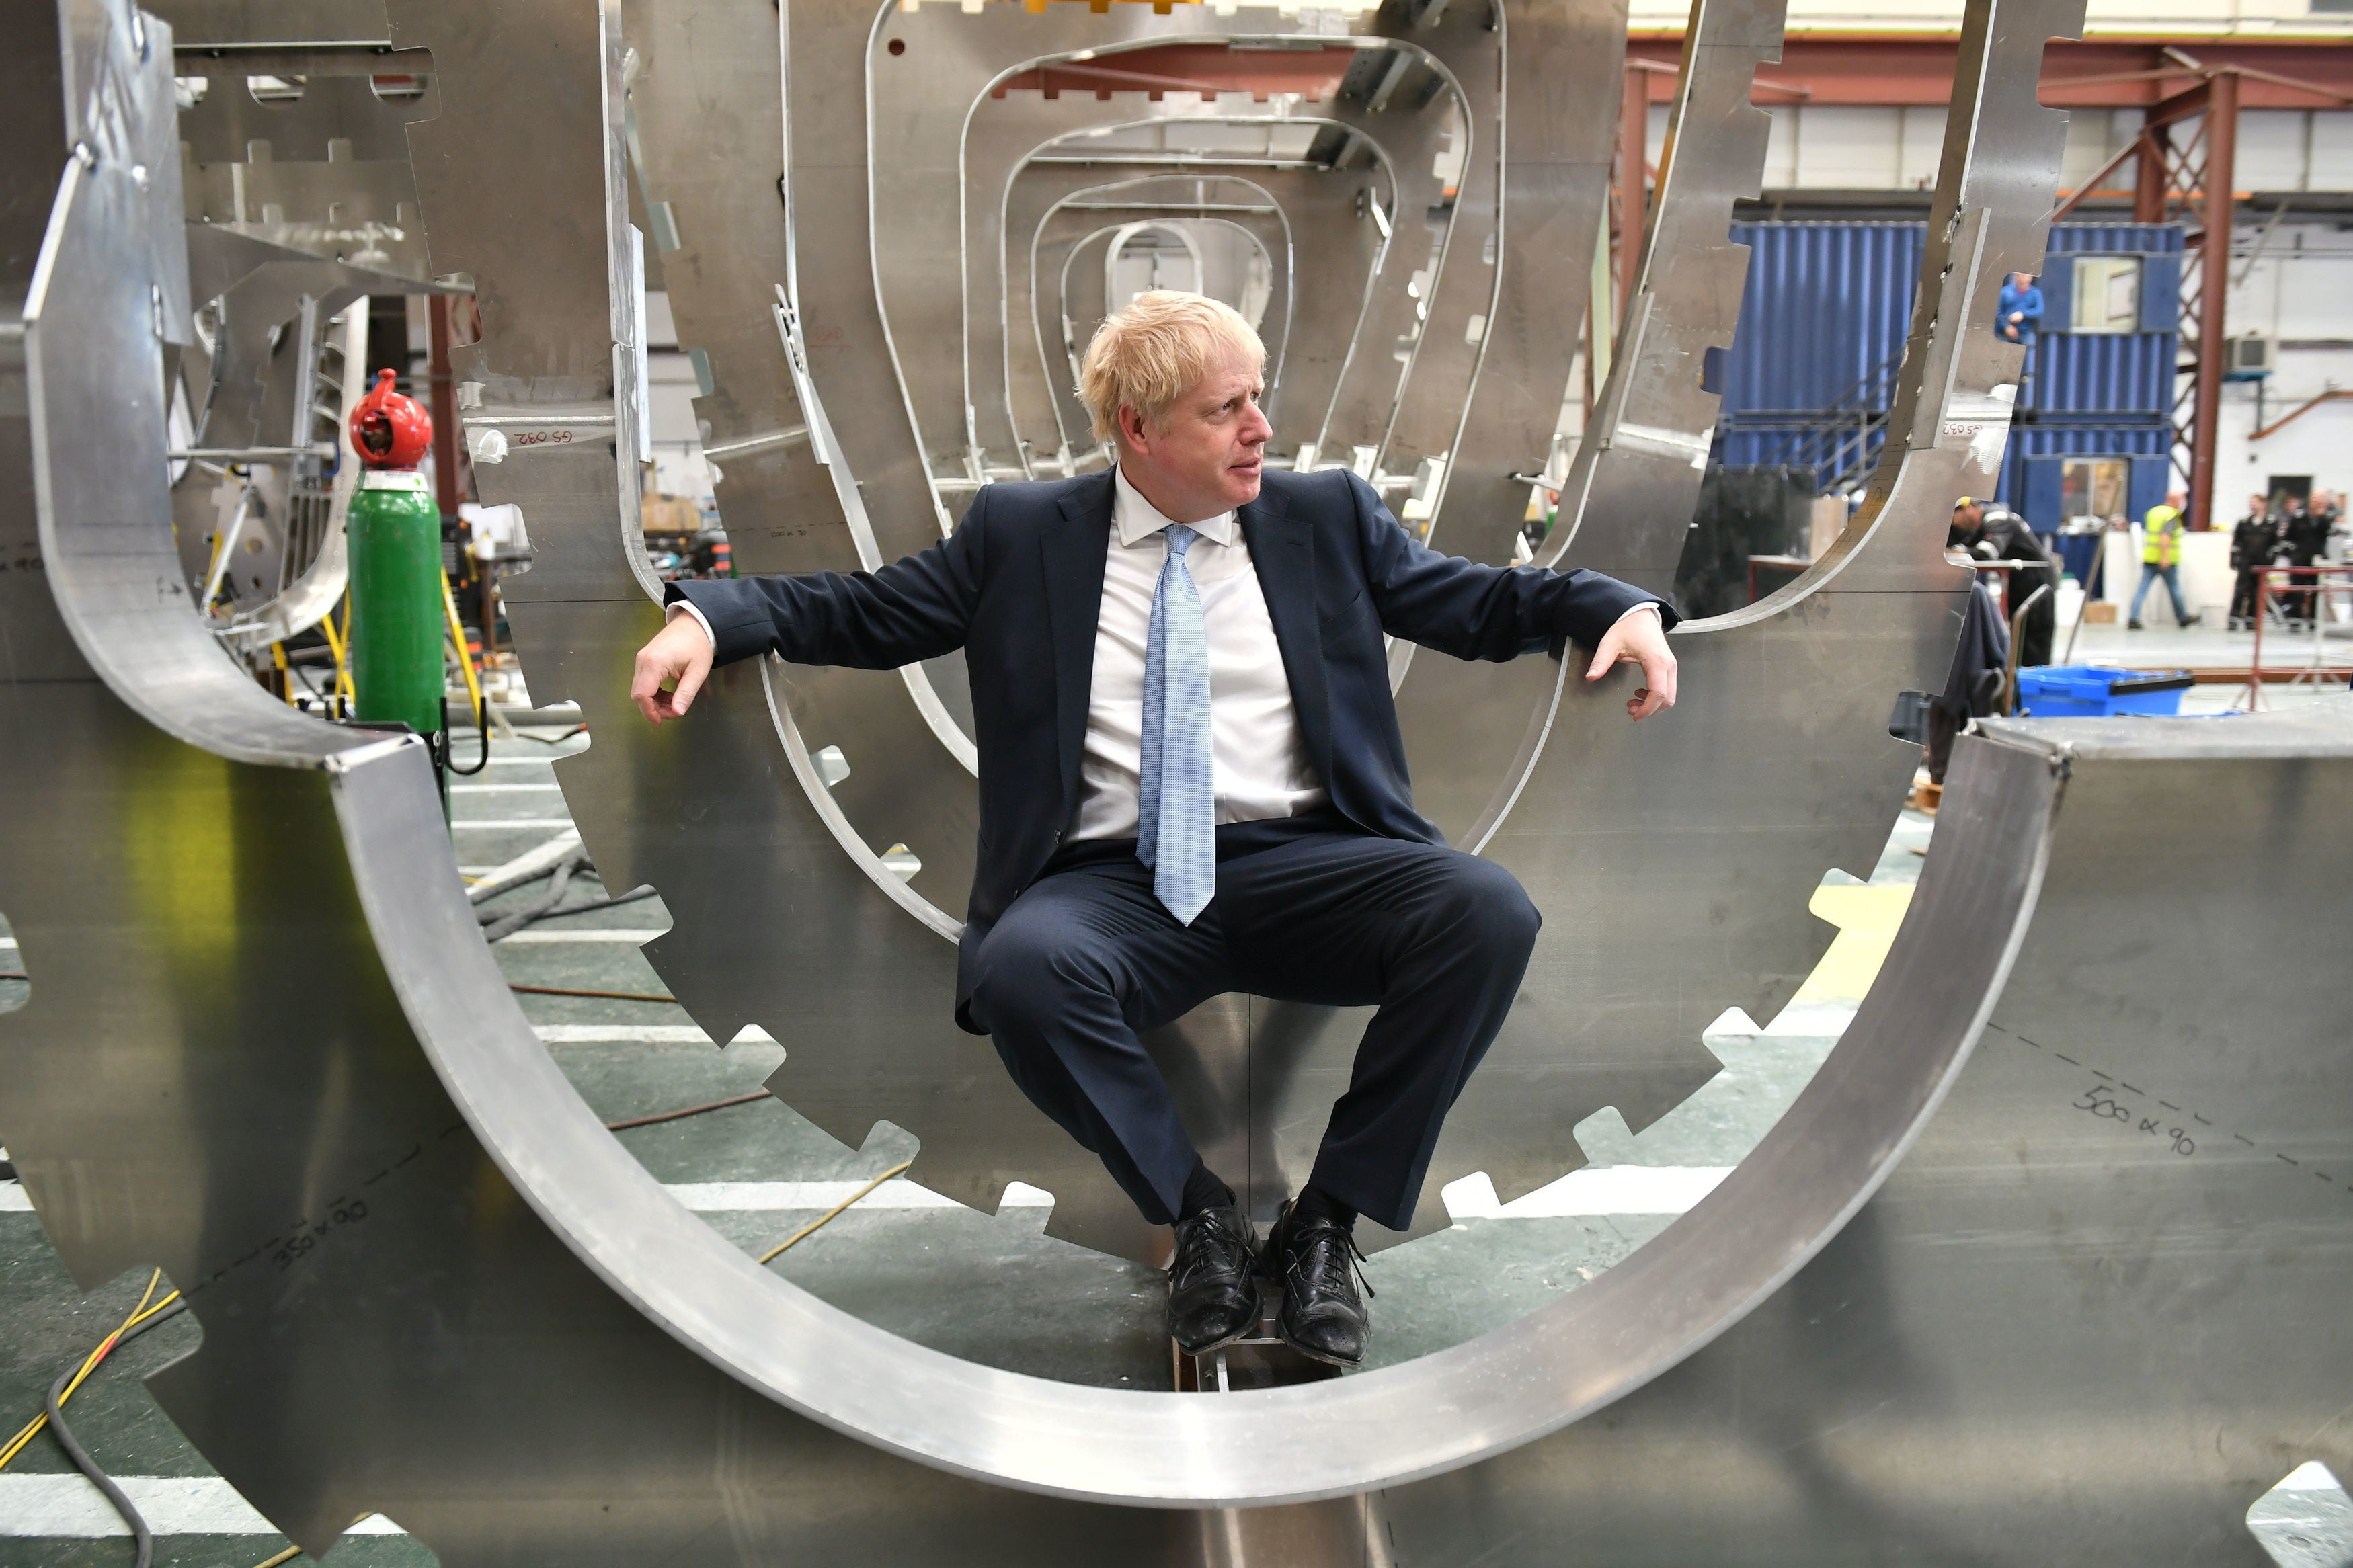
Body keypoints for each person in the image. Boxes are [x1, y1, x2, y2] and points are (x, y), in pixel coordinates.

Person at [627, 292, 1679, 1368]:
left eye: (1257, 399)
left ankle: (1329, 1224)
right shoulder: (1022, 535)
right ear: (1139, 429)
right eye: (1227, 409)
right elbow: (862, 610)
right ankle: (1201, 1221)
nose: (1260, 428)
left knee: (1485, 913)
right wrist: (704, 617)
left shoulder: (1325, 517)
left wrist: (1618, 607)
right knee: (1024, 969)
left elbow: (1481, 600)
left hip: (1311, 861)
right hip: (1117, 886)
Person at [1951, 497, 2057, 668]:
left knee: (2033, 641)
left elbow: (1988, 553)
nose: (1955, 524)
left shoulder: (1998, 519)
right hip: (2018, 582)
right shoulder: (1979, 527)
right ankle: (2015, 683)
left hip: (2036, 582)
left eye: (1955, 517)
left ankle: (2031, 684)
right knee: (2018, 637)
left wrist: (1957, 553)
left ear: (1968, 508)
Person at [2128, 492, 2199, 630]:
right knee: (2174, 589)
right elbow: (2165, 537)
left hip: (2149, 558)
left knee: (2142, 589)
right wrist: (2165, 557)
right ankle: (2182, 618)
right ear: (2176, 500)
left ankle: (2133, 618)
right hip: (2166, 560)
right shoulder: (2171, 515)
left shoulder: (2154, 513)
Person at [2229, 493, 2272, 630]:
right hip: (2246, 561)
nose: (2252, 505)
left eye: (2255, 502)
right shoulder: (2244, 523)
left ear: (2263, 504)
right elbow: (2236, 543)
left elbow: (2274, 544)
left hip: (2261, 562)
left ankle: (2252, 618)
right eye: (2251, 502)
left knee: (2257, 591)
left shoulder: (2271, 524)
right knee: (2241, 590)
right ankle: (2234, 617)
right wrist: (2234, 559)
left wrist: (2272, 561)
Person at [1995, 272, 2044, 349]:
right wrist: (2006, 326)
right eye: (2021, 275)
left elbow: (2039, 311)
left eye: (2026, 275)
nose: (2023, 277)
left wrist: (2023, 314)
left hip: (2025, 333)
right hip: (2005, 334)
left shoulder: (2035, 294)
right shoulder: (2005, 292)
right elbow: (1998, 312)